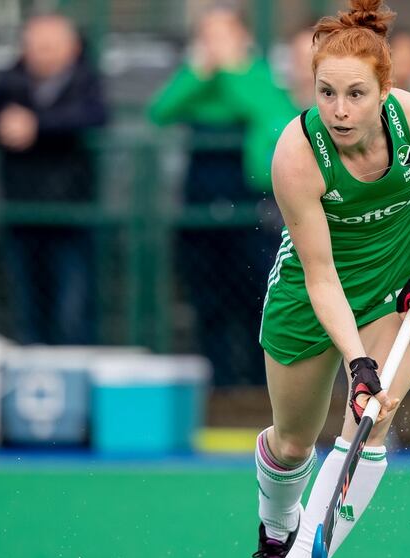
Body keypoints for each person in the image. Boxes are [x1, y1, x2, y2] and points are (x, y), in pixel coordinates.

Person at [250, 1, 410, 558]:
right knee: (293, 443)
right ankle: (277, 531)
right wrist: (356, 363)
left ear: (385, 88)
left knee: (368, 428)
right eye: (326, 93)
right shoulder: (297, 157)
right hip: (309, 296)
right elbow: (321, 276)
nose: (340, 111)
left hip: (395, 294)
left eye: (356, 95)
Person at [147, 6, 293, 388]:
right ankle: (221, 383)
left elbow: (270, 112)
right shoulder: (198, 82)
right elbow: (161, 110)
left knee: (255, 299)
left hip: (248, 210)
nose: (214, 46)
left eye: (223, 35)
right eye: (208, 36)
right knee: (207, 303)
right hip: (199, 207)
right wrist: (198, 73)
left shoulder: (256, 76)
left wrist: (231, 68)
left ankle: (258, 384)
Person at [0, 14, 107, 346]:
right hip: (21, 212)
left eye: (49, 46)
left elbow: (93, 116)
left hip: (72, 217)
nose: (41, 54)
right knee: (29, 312)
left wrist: (36, 126)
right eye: (35, 46)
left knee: (72, 313)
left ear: (71, 48)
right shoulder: (11, 80)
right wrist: (2, 124)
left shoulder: (85, 80)